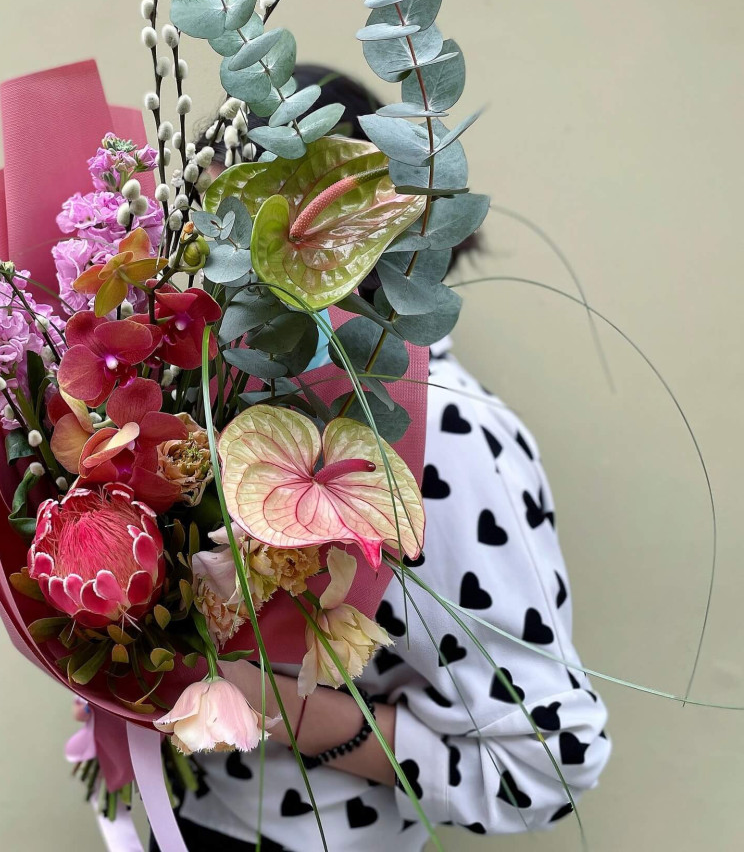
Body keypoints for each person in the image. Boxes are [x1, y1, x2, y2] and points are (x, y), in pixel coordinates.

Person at [157, 65, 612, 850]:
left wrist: (276, 708)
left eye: (248, 233)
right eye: (207, 233)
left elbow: (550, 764)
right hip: (182, 816)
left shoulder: (452, 440)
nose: (218, 264)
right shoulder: (229, 386)